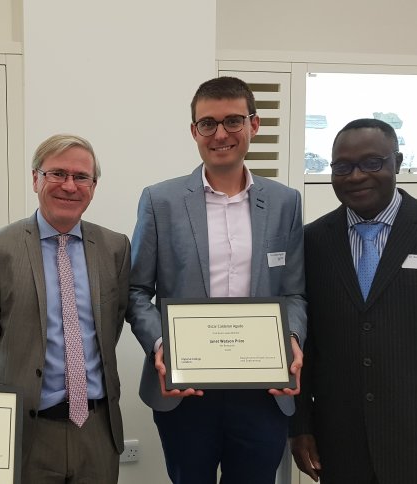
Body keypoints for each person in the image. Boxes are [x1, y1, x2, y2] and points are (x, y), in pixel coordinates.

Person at [126, 76, 307, 484]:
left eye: (233, 121)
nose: (220, 134)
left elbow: (294, 292)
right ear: (194, 131)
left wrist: (292, 338)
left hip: (263, 391)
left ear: (253, 124)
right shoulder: (160, 201)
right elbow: (136, 292)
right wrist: (162, 344)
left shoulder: (285, 202)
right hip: (185, 391)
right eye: (208, 123)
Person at [0, 134, 130, 483]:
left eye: (81, 177)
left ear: (93, 186)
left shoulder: (115, 248)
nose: (69, 186)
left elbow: (110, 329)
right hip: (29, 431)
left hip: (97, 430)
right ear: (35, 178)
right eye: (57, 173)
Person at [290, 118, 417, 484]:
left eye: (372, 162)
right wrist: (300, 426)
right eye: (342, 167)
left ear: (397, 162)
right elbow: (305, 342)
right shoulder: (311, 241)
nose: (356, 176)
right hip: (339, 440)